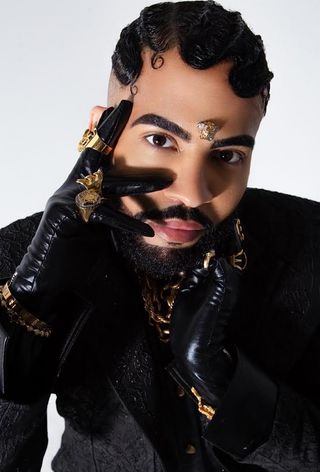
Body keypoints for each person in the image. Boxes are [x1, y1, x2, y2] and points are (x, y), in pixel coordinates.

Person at [0, 1, 319, 470]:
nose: (192, 192)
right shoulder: (18, 258)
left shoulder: (311, 246)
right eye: (161, 141)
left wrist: (227, 384)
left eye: (227, 155)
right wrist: (26, 312)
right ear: (100, 131)